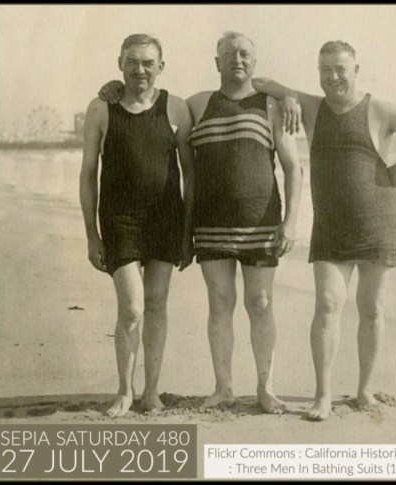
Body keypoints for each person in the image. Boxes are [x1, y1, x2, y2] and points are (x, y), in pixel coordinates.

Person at [98, 32, 303, 413]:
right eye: (229, 54)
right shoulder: (195, 105)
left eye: (245, 54)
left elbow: (294, 169)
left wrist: (290, 223)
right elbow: (151, 109)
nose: (237, 60)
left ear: (254, 64)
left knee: (259, 302)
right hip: (210, 225)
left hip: (261, 223)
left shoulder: (273, 107)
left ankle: (265, 387)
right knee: (220, 304)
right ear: (217, 63)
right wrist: (112, 87)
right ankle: (223, 388)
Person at [252, 40, 396, 421]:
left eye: (340, 69)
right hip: (330, 227)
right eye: (324, 69)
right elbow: (262, 82)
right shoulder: (312, 107)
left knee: (371, 308)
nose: (332, 77)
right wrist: (288, 96)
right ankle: (323, 396)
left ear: (356, 69)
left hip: (377, 223)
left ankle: (364, 389)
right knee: (327, 305)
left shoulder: (379, 109)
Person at [80, 34, 195, 417]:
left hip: (165, 218)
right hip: (119, 220)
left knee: (158, 304)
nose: (140, 69)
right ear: (120, 63)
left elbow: (190, 177)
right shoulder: (101, 108)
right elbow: (87, 175)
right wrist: (91, 235)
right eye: (132, 61)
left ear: (161, 66)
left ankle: (151, 392)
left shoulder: (176, 108)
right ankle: (124, 391)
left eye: (148, 62)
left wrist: (187, 232)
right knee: (132, 308)